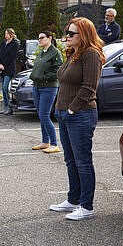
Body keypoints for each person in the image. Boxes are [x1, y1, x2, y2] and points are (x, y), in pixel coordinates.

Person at [49, 17, 105, 221]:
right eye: (67, 32)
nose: (67, 36)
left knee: (82, 161)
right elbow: (65, 83)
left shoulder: (91, 54)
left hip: (80, 114)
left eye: (71, 33)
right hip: (64, 114)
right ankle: (73, 199)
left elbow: (89, 87)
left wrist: (72, 109)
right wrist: (59, 109)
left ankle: (86, 206)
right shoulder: (73, 54)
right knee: (70, 160)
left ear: (84, 35)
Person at [29, 31, 63, 154]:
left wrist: (44, 76)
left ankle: (54, 143)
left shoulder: (55, 53)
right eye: (38, 38)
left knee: (44, 115)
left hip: (48, 87)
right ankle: (45, 141)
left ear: (50, 38)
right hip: (37, 86)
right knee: (41, 114)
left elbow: (58, 70)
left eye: (42, 38)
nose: (40, 40)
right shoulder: (42, 53)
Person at [0, 28, 20, 115]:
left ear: (11, 34)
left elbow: (11, 58)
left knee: (6, 87)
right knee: (3, 88)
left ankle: (10, 107)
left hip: (9, 69)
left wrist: (3, 66)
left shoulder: (15, 44)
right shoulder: (3, 43)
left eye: (7, 34)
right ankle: (5, 106)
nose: (5, 35)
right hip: (2, 69)